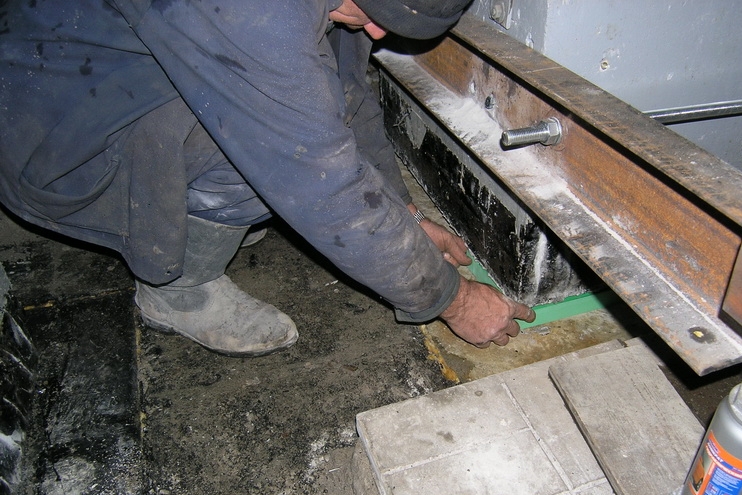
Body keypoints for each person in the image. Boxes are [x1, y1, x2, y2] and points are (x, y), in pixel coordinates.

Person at [0, 0, 534, 357]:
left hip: (108, 74)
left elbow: (348, 95)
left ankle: (204, 212)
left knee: (301, 120)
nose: (376, 31)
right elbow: (319, 180)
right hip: (47, 129)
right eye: (376, 14)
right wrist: (455, 301)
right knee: (269, 164)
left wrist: (405, 212)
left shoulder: (335, 5)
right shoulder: (252, 9)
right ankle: (178, 292)